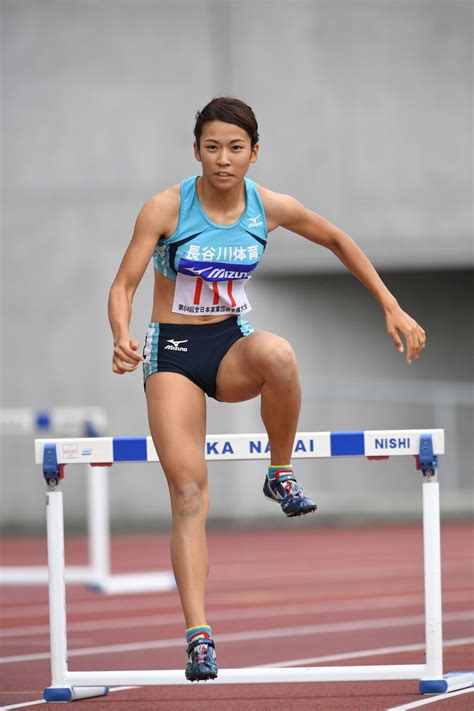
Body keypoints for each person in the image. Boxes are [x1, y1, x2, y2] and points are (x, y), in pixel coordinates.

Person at [108, 97, 426, 682]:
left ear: (255, 152)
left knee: (279, 352)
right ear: (196, 149)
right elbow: (125, 282)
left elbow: (337, 240)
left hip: (231, 346)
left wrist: (391, 305)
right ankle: (198, 635)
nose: (223, 160)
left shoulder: (269, 206)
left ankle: (280, 470)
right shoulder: (165, 207)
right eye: (211, 147)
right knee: (187, 491)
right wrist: (122, 336)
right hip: (174, 353)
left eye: (235, 148)